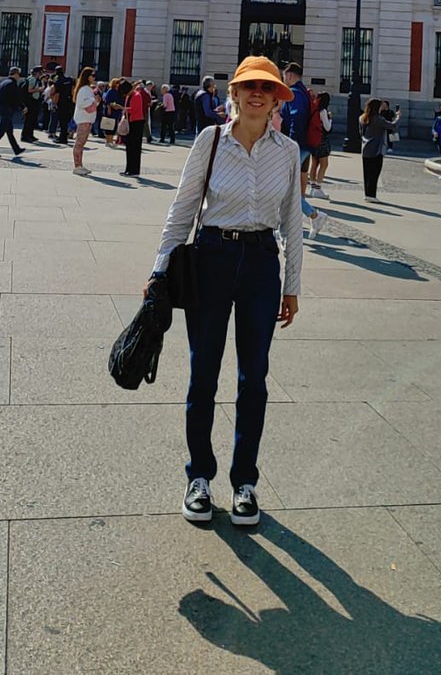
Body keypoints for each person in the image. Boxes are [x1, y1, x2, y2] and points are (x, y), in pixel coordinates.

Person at [143, 55, 302, 529]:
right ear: (233, 94)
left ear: (276, 99)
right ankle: (200, 478)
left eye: (266, 88)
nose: (257, 94)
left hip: (259, 262)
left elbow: (292, 220)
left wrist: (291, 285)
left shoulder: (288, 151)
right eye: (248, 86)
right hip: (211, 257)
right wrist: (158, 269)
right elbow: (184, 206)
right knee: (203, 373)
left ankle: (245, 483)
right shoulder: (209, 142)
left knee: (254, 377)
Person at [281, 62, 324, 237]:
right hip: (303, 144)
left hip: (297, 144)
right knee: (287, 186)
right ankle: (310, 216)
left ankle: (314, 215)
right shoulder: (303, 92)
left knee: (284, 186)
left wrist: (291, 144)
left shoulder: (295, 94)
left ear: (290, 75)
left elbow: (295, 119)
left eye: (284, 76)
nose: (283, 79)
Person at [360, 97, 400, 200]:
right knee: (375, 172)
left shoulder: (362, 118)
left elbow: (361, 132)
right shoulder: (378, 119)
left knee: (367, 172)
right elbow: (392, 126)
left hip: (365, 147)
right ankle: (372, 195)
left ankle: (367, 194)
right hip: (376, 148)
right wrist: (398, 117)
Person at [0, 68, 26, 160]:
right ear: (15, 74)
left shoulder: (3, 82)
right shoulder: (12, 84)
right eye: (19, 74)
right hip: (8, 109)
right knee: (0, 131)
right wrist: (22, 107)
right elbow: (16, 97)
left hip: (2, 108)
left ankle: (16, 149)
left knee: (9, 130)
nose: (19, 77)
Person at [72, 66, 98, 176]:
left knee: (82, 143)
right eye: (92, 75)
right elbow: (82, 103)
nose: (94, 77)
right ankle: (77, 165)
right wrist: (93, 100)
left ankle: (80, 164)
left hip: (87, 119)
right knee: (79, 143)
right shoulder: (84, 89)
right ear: (87, 77)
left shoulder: (87, 88)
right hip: (83, 119)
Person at [307, 92, 333, 200]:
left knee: (314, 163)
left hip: (313, 138)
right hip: (322, 140)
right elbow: (327, 127)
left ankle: (313, 187)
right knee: (324, 164)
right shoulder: (323, 111)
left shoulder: (313, 109)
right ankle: (318, 187)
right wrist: (330, 118)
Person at [121, 80, 147, 176]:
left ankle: (134, 170)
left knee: (135, 147)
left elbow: (134, 109)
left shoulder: (137, 95)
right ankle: (128, 168)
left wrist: (121, 108)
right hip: (130, 121)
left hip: (137, 122)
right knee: (129, 147)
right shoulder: (129, 96)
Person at [21, 66, 44, 143]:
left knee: (33, 119)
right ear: (37, 72)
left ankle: (30, 134)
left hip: (34, 101)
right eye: (41, 72)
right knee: (29, 119)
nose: (41, 74)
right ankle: (25, 135)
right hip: (31, 101)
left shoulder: (35, 79)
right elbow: (29, 90)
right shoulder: (32, 79)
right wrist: (39, 89)